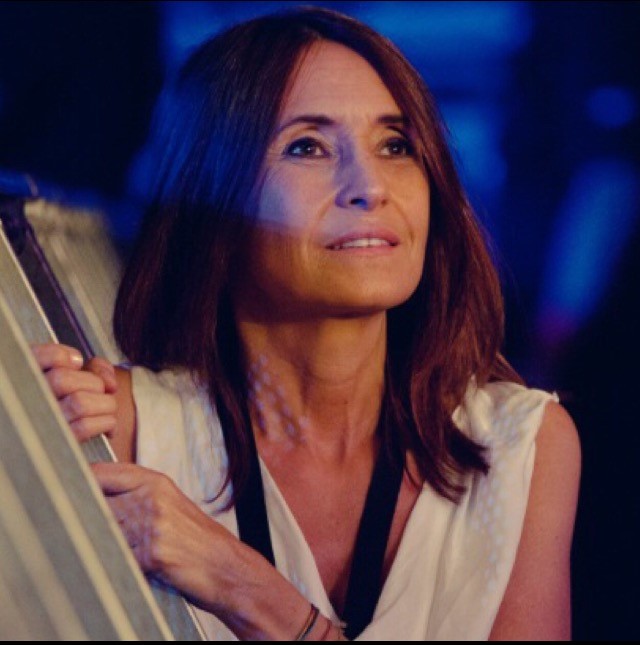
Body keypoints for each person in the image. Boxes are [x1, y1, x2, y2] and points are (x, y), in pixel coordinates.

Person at [31, 6, 581, 641]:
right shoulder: (121, 427)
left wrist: (247, 589)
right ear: (213, 198)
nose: (370, 187)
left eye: (396, 145)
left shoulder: (522, 446)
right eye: (307, 147)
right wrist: (25, 429)